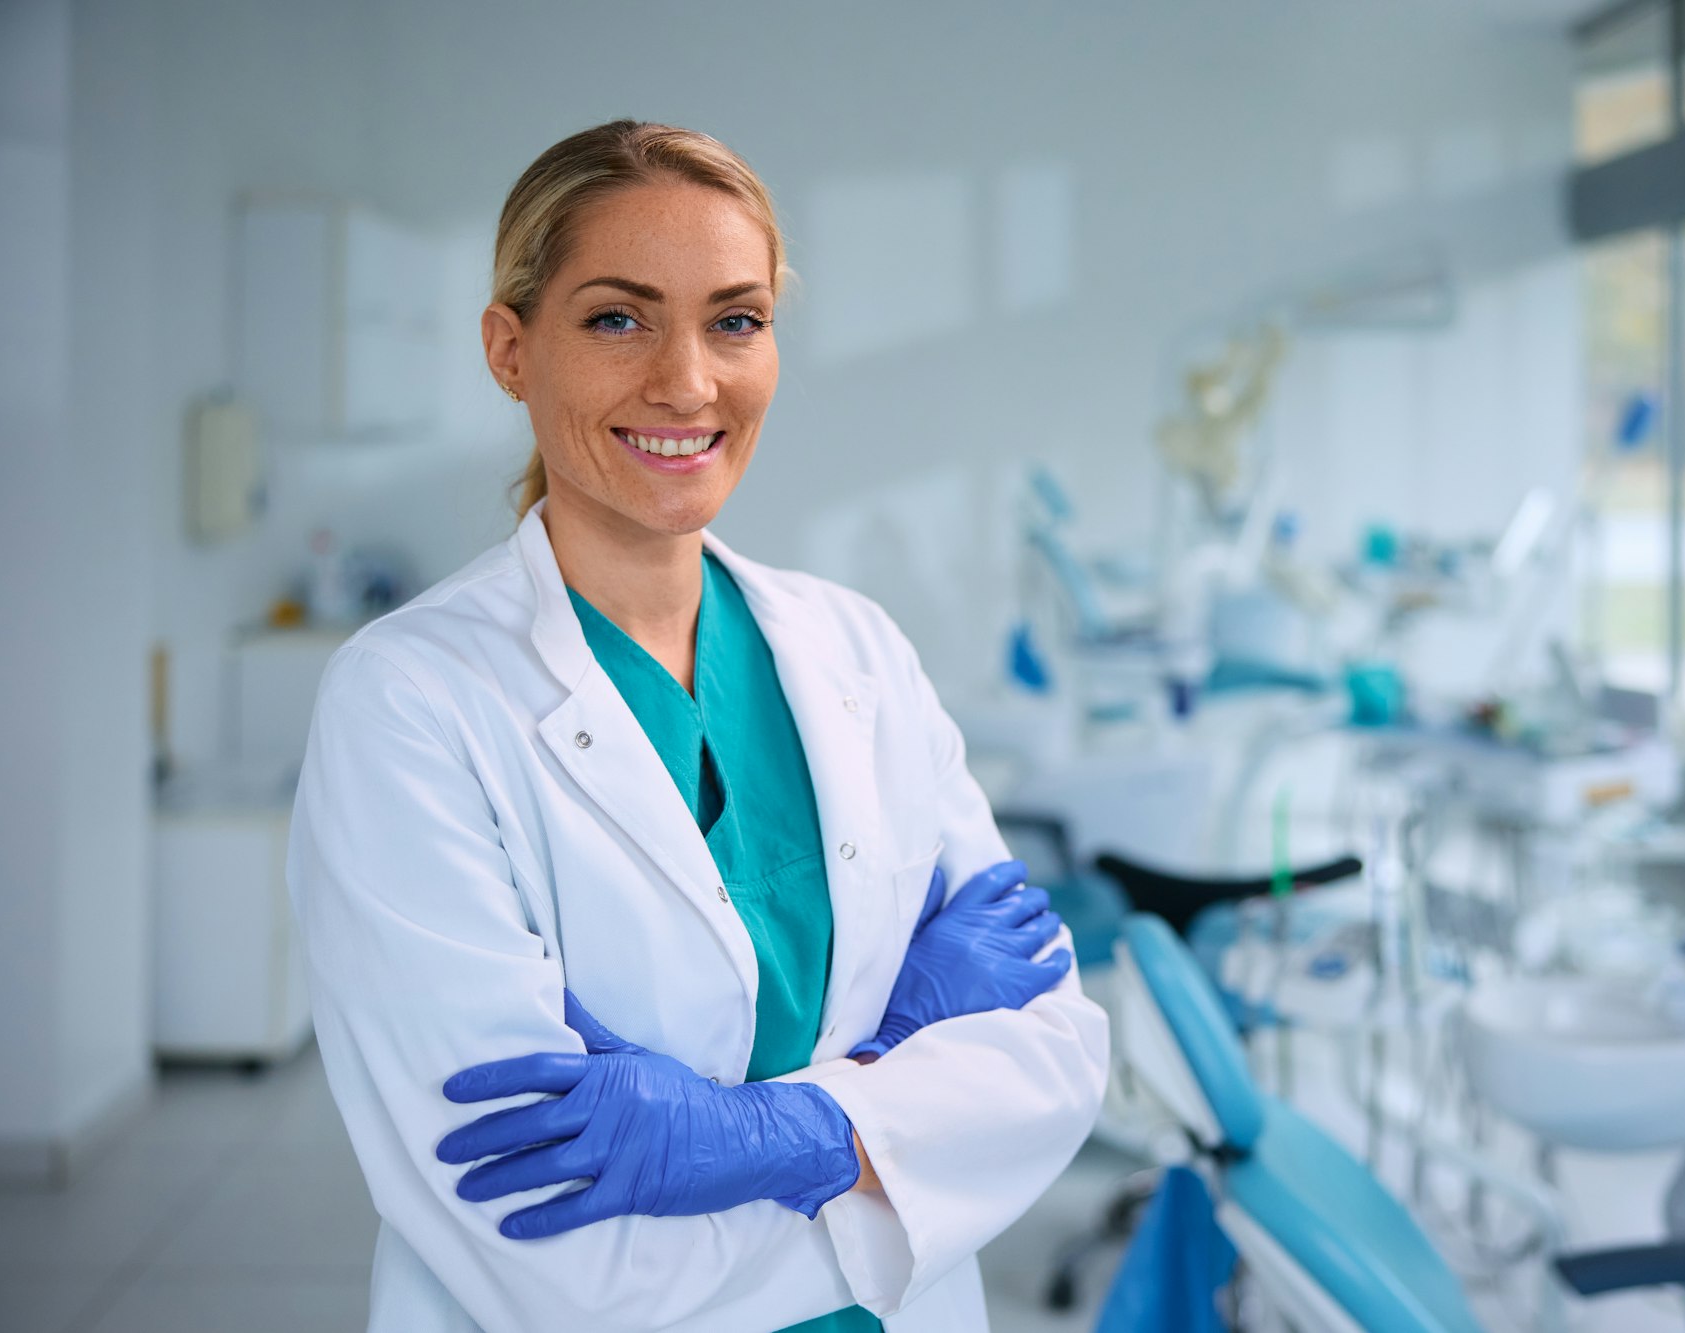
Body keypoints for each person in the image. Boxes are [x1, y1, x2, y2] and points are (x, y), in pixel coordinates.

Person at [287, 119, 1110, 1333]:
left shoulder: (857, 652)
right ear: (511, 351)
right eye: (617, 318)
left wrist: (766, 1132)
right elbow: (542, 1245)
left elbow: (1051, 1060)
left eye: (735, 319)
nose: (687, 381)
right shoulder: (407, 702)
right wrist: (897, 1112)